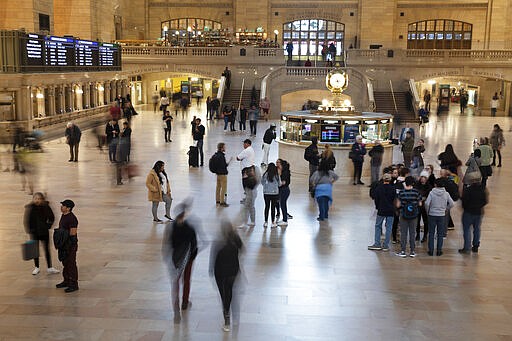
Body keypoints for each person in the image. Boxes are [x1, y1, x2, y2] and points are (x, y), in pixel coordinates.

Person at [162, 202, 198, 324]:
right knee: (186, 280)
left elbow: (167, 244)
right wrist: (192, 256)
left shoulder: (171, 228)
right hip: (188, 259)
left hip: (175, 259)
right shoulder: (189, 228)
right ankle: (185, 302)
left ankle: (176, 311)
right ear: (183, 216)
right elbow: (194, 245)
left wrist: (168, 257)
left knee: (175, 284)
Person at [209, 220, 243, 332]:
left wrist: (211, 270)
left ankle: (227, 317)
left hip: (221, 273)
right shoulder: (235, 239)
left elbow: (213, 258)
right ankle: (234, 316)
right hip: (233, 271)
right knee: (230, 292)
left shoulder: (218, 242)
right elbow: (242, 248)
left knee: (224, 295)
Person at [24, 192, 59, 275]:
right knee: (34, 250)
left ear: (42, 199)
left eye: (39, 199)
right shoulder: (30, 208)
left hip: (44, 232)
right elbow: (27, 220)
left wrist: (48, 226)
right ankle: (36, 267)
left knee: (47, 249)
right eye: (36, 198)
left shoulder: (46, 207)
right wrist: (30, 230)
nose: (37, 200)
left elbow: (52, 217)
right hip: (34, 233)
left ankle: (50, 267)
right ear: (33, 199)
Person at [459, 172, 488, 254]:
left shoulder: (468, 190)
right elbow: (485, 201)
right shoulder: (483, 189)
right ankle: (475, 246)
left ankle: (467, 248)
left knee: (467, 229)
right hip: (479, 212)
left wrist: (466, 207)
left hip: (468, 212)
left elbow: (464, 201)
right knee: (477, 229)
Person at [425, 178, 454, 256]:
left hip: (432, 214)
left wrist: (428, 211)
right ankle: (439, 250)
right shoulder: (446, 194)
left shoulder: (431, 193)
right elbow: (452, 204)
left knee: (431, 233)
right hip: (441, 215)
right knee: (440, 234)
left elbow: (427, 203)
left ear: (435, 185)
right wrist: (446, 209)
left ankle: (431, 250)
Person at [55, 199, 79, 293]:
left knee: (71, 264)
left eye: (63, 205)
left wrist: (71, 246)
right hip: (63, 244)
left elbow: (73, 233)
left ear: (68, 208)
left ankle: (73, 284)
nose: (61, 207)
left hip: (69, 245)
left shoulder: (72, 218)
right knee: (65, 263)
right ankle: (66, 281)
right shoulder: (64, 215)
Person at [395, 176, 422, 258]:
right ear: (413, 183)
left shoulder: (401, 192)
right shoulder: (416, 192)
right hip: (414, 215)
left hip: (403, 215)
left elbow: (398, 204)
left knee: (403, 233)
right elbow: (420, 204)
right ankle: (412, 251)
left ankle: (403, 251)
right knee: (412, 233)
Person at [368, 173, 396, 252]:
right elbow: (394, 199)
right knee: (389, 227)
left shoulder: (379, 188)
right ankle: (386, 245)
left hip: (381, 209)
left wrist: (377, 207)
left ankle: (377, 244)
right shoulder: (393, 189)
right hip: (390, 210)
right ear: (390, 180)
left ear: (383, 179)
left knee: (378, 226)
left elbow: (376, 199)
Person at [210, 143, 231, 207]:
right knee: (224, 188)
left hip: (218, 174)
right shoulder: (221, 156)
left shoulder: (216, 155)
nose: (225, 148)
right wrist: (228, 163)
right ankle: (222, 202)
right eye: (224, 147)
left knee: (218, 187)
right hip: (223, 175)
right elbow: (223, 165)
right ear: (221, 148)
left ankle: (217, 200)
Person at [261, 163, 281, 228]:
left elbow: (262, 183)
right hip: (274, 193)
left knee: (267, 207)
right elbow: (279, 184)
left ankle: (266, 222)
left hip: (266, 193)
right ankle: (273, 222)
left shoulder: (265, 174)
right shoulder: (276, 175)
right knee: (273, 208)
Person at [414, 171, 432, 243]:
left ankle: (425, 236)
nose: (423, 179)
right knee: (417, 221)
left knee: (426, 221)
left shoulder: (429, 186)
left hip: (425, 206)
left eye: (424, 177)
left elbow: (430, 195)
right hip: (418, 205)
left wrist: (425, 198)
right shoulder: (417, 185)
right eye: (422, 177)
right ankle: (417, 234)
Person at [276, 159, 291, 227]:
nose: (277, 164)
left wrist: (279, 175)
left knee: (283, 204)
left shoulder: (285, 173)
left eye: (278, 162)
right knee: (282, 204)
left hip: (284, 190)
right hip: (282, 190)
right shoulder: (281, 171)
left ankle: (285, 220)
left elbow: (283, 183)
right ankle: (285, 217)